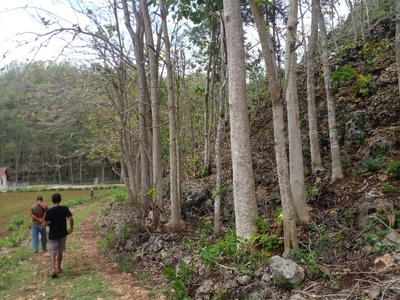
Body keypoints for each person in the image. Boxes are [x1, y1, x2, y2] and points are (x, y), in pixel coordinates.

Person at [43, 193, 74, 278]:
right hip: (63, 233)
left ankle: (53, 269)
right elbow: (70, 218)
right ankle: (59, 268)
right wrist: (71, 228)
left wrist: (51, 224)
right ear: (60, 200)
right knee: (60, 250)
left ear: (52, 201)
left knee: (53, 251)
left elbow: (45, 223)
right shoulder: (64, 209)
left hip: (53, 234)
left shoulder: (49, 211)